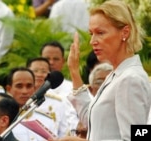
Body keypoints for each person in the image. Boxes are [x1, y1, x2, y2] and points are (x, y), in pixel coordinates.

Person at [53, 0, 151, 140]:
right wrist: (74, 72)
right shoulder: (117, 74)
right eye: (91, 33)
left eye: (100, 33)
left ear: (125, 32)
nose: (93, 41)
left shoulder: (130, 79)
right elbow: (94, 121)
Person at [26, 57, 79, 134]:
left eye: (44, 71)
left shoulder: (58, 102)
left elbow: (64, 132)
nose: (39, 74)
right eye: (35, 71)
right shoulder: (19, 98)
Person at [6, 67, 58, 141]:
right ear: (9, 89)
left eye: (29, 86)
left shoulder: (47, 121)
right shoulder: (3, 120)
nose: (24, 91)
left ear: (34, 88)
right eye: (19, 86)